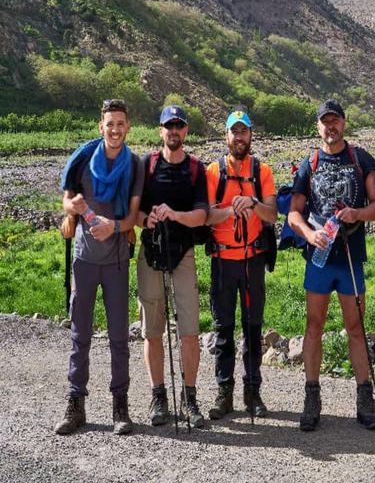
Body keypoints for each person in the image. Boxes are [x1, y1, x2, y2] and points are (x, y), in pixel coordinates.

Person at [288, 98, 375, 432]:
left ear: (344, 123)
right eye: (325, 122)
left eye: (336, 121)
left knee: (355, 327)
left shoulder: (360, 159)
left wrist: (357, 214)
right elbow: (293, 212)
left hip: (350, 256)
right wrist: (308, 234)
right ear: (319, 127)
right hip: (320, 256)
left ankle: (365, 400)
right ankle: (311, 399)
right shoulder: (309, 163)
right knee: (313, 326)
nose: (331, 126)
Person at [55, 99, 143, 435]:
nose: (116, 129)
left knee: (120, 337)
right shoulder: (81, 161)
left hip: (118, 260)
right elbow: (67, 201)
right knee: (80, 335)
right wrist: (72, 207)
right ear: (101, 126)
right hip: (84, 260)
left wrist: (114, 227)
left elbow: (134, 216)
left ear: (128, 126)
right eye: (110, 123)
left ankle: (120, 406)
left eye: (121, 123)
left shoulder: (134, 165)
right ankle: (76, 404)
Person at [137, 105, 208, 428]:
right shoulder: (146, 166)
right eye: (169, 126)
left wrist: (175, 215)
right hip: (151, 251)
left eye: (179, 126)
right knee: (153, 331)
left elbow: (201, 216)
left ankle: (190, 398)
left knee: (189, 332)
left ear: (186, 131)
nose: (174, 131)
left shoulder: (196, 169)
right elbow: (132, 211)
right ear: (160, 131)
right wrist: (146, 219)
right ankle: (158, 396)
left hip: (184, 253)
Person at [205, 110, 277, 420]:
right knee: (223, 331)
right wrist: (230, 212)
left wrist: (253, 204)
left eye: (244, 131)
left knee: (252, 329)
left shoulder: (263, 171)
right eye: (234, 132)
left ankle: (253, 392)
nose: (239, 137)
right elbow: (207, 216)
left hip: (252, 262)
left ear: (251, 135)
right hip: (222, 261)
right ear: (226, 136)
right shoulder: (212, 172)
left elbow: (272, 215)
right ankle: (225, 393)